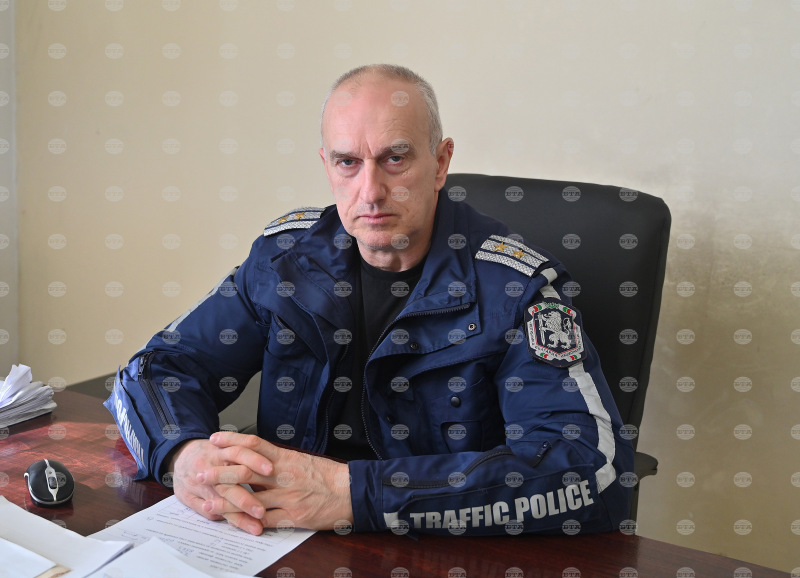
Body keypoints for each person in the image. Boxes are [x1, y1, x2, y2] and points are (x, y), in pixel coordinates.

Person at [105, 64, 634, 537]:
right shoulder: (285, 260)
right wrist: (183, 453)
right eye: (347, 162)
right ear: (326, 165)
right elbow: (156, 369)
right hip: (278, 538)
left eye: (394, 159)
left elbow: (589, 468)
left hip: (433, 547)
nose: (371, 191)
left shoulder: (515, 291)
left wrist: (353, 493)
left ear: (441, 162)